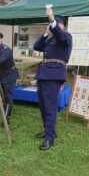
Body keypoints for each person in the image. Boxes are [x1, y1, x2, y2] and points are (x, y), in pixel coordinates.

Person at [33, 8, 72, 150]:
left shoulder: (66, 37)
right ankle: (47, 130)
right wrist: (45, 34)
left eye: (57, 23)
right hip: (43, 75)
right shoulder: (50, 40)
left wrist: (52, 20)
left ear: (62, 25)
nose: (53, 26)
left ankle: (50, 138)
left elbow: (60, 35)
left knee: (50, 108)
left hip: (54, 76)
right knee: (43, 106)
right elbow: (36, 46)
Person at [0, 31, 19, 126]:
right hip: (3, 74)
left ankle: (6, 119)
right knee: (4, 95)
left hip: (10, 74)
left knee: (8, 96)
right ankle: (5, 111)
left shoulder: (6, 49)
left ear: (0, 39)